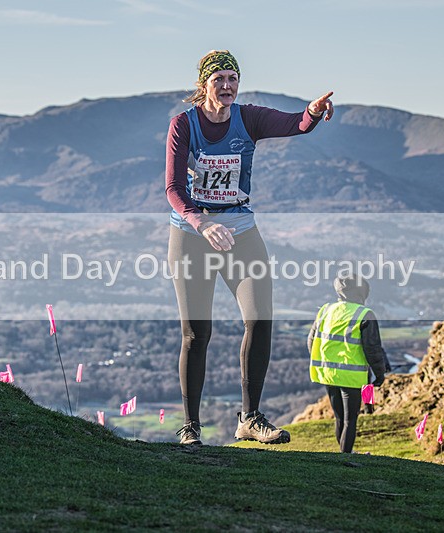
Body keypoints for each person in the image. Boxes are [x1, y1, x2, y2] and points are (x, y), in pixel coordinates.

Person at [166, 49, 334, 445]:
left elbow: (296, 125)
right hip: (192, 235)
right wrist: (203, 223)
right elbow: (173, 189)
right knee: (196, 333)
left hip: (240, 228)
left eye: (232, 78)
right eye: (218, 79)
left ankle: (251, 418)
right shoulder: (183, 125)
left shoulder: (249, 118)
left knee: (260, 319)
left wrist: (311, 112)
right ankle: (190, 427)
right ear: (203, 84)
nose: (226, 86)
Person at [307, 275, 388, 453]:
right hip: (352, 376)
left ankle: (344, 454)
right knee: (350, 420)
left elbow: (311, 341)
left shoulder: (326, 310)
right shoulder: (365, 314)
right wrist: (380, 374)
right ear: (363, 293)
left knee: (339, 417)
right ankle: (345, 458)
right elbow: (372, 349)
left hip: (327, 373)